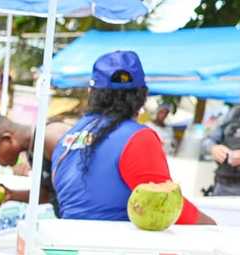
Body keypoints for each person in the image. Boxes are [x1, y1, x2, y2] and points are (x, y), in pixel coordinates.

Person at [51, 51, 214, 224]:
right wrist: (212, 227)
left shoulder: (67, 139)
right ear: (142, 96)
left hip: (65, 236)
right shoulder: (138, 138)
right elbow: (165, 202)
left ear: (91, 92)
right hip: (114, 239)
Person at [0, 113, 70, 215]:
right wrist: (11, 195)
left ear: (7, 139)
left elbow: (76, 189)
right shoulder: (33, 149)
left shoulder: (49, 138)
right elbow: (48, 194)